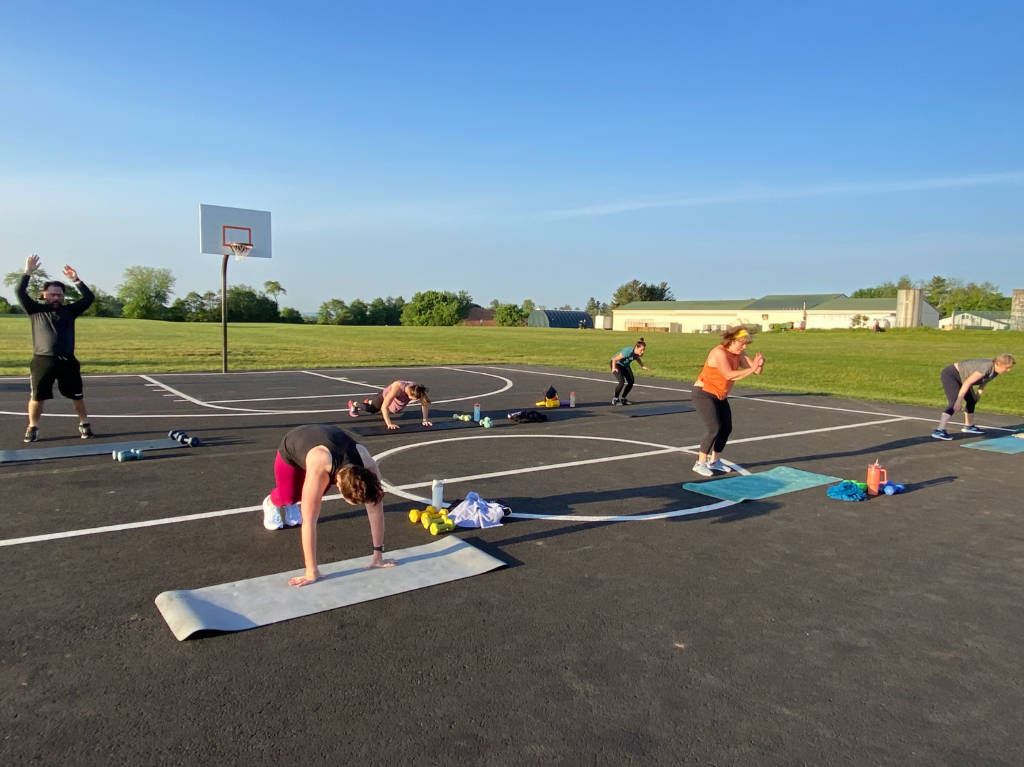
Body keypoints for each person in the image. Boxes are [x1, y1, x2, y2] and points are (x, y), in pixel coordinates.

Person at [262, 424, 395, 587]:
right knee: (289, 496)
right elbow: (309, 521)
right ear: (338, 485)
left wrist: (378, 555)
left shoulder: (368, 464)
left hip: (325, 444)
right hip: (294, 444)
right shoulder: (321, 466)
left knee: (313, 494)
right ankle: (270, 502)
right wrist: (311, 571)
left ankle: (292, 504)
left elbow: (376, 510)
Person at [16, 254, 95, 442]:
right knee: (37, 397)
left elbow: (89, 298)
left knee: (77, 396)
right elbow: (20, 292)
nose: (56, 297)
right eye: (52, 294)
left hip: (68, 361)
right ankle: (32, 427)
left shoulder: (70, 311)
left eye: (59, 294)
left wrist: (76, 280)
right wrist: (27, 272)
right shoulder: (35, 310)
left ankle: (84, 424)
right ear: (44, 295)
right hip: (43, 360)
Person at [690, 326, 764, 477]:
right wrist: (752, 368)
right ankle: (700, 463)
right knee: (714, 428)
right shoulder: (719, 352)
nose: (744, 347)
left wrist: (759, 364)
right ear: (732, 341)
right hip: (704, 394)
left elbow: (757, 371)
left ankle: (715, 460)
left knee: (726, 428)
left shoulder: (739, 353)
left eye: (746, 345)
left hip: (720, 395)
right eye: (742, 344)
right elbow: (728, 375)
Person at [931, 354, 1015, 440]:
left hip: (963, 377)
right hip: (951, 375)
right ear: (998, 363)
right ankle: (939, 430)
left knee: (972, 400)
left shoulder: (996, 370)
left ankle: (968, 426)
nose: (1008, 370)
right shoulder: (986, 367)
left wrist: (978, 394)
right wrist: (959, 401)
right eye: (1007, 367)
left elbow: (985, 380)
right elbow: (967, 382)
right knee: (953, 403)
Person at [348, 380, 432, 430]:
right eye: (414, 399)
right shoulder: (397, 388)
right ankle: (354, 404)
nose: (415, 400)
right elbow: (384, 407)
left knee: (395, 410)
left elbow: (424, 403)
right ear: (410, 393)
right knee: (372, 410)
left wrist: (425, 420)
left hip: (399, 398)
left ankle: (370, 401)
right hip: (384, 396)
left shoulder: (417, 390)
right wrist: (389, 424)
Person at [610, 338, 649, 405]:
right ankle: (615, 399)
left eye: (644, 350)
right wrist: (614, 368)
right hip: (616, 364)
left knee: (631, 381)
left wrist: (643, 366)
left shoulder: (637, 353)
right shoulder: (627, 351)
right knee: (621, 382)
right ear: (636, 347)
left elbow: (637, 359)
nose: (643, 352)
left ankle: (623, 399)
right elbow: (614, 359)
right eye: (641, 350)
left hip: (625, 365)